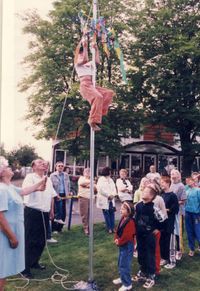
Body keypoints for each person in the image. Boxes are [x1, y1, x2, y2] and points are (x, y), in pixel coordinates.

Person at [0, 156, 46, 290]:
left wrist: (40, 183)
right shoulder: (2, 189)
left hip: (10, 233)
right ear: (1, 172)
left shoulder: (9, 187)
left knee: (4, 271)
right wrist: (12, 237)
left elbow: (25, 191)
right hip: (5, 235)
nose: (11, 168)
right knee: (1, 270)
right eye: (7, 167)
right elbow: (0, 216)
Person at [22, 159, 57, 278]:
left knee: (41, 240)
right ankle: (24, 268)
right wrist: (38, 187)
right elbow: (26, 191)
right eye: (39, 162)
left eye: (44, 162)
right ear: (33, 167)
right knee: (29, 240)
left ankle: (34, 262)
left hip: (45, 213)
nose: (43, 163)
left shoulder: (49, 179)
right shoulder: (30, 177)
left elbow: (52, 195)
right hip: (32, 212)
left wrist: (52, 210)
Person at [74, 38, 115, 131]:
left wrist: (96, 49)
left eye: (82, 53)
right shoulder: (77, 63)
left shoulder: (88, 62)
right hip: (85, 85)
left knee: (109, 93)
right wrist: (84, 47)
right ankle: (92, 120)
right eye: (80, 54)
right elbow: (84, 59)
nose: (81, 55)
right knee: (98, 97)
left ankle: (99, 113)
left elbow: (96, 61)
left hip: (92, 85)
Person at [133, 183, 165, 289]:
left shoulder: (154, 208)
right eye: (143, 190)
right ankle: (143, 271)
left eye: (146, 192)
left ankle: (151, 275)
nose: (143, 192)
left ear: (151, 196)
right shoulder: (137, 205)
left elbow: (163, 219)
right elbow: (134, 218)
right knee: (141, 254)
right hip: (139, 235)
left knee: (150, 255)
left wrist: (158, 229)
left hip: (149, 236)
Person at [113, 202, 136, 291]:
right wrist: (116, 238)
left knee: (124, 264)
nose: (120, 210)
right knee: (120, 262)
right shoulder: (123, 218)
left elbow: (127, 236)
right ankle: (122, 277)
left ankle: (127, 284)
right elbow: (118, 229)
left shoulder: (130, 222)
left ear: (129, 212)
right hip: (122, 244)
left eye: (123, 209)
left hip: (127, 245)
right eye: (121, 208)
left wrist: (119, 241)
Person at [160, 176, 179, 269]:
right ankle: (164, 258)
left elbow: (176, 209)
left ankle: (172, 261)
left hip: (170, 222)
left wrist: (167, 210)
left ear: (168, 183)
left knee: (169, 241)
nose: (161, 184)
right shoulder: (162, 195)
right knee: (162, 240)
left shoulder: (173, 195)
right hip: (162, 222)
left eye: (162, 182)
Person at [170, 169, 187, 261]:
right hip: (171, 212)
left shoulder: (181, 186)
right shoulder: (170, 185)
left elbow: (183, 200)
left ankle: (179, 250)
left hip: (179, 212)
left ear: (178, 176)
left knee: (179, 232)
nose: (172, 175)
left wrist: (174, 203)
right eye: (171, 174)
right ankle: (173, 249)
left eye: (174, 174)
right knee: (173, 232)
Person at [96, 167, 117, 233]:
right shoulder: (101, 179)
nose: (111, 173)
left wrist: (113, 195)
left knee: (112, 213)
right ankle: (109, 228)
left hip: (111, 199)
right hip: (104, 199)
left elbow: (114, 188)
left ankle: (113, 227)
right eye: (110, 171)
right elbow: (100, 189)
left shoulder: (111, 180)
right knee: (106, 214)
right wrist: (108, 195)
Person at [50, 161, 71, 226]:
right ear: (56, 167)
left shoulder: (66, 175)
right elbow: (50, 187)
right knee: (56, 212)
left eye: (62, 166)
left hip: (65, 195)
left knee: (63, 212)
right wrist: (55, 195)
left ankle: (60, 228)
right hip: (56, 195)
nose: (60, 167)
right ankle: (54, 229)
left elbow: (68, 185)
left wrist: (69, 191)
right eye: (59, 166)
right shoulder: (52, 175)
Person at [78, 168, 96, 235]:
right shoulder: (81, 178)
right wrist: (90, 183)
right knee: (84, 214)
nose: (88, 173)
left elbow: (95, 189)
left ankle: (89, 227)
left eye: (89, 172)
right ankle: (85, 228)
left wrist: (88, 185)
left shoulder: (91, 180)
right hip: (83, 198)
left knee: (90, 213)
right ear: (83, 173)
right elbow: (82, 183)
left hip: (91, 198)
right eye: (86, 172)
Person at [185, 177, 200, 257]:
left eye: (190, 180)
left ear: (194, 181)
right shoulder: (186, 190)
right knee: (189, 231)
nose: (188, 182)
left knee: (197, 230)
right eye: (187, 181)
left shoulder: (198, 190)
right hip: (187, 213)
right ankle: (192, 249)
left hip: (196, 214)